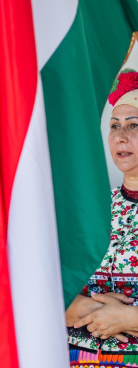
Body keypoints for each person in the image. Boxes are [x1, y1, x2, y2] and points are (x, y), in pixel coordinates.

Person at [66, 69, 138, 365]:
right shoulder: (90, 209)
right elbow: (48, 286)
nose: (120, 136)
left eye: (134, 126)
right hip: (79, 357)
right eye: (114, 126)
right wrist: (77, 308)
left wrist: (129, 317)